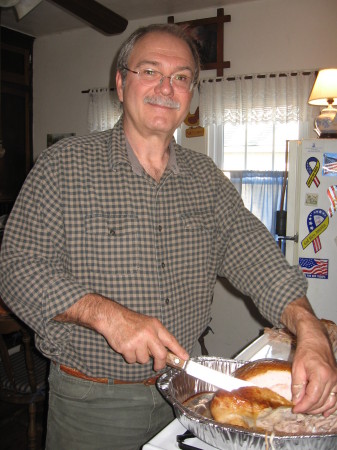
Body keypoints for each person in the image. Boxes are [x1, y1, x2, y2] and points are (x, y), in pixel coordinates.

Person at [0, 23, 336, 450]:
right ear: (121, 84)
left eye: (180, 77)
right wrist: (107, 315)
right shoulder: (63, 166)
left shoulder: (207, 180)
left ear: (190, 95)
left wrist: (309, 330)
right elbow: (15, 269)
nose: (166, 87)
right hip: (94, 402)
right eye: (150, 71)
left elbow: (258, 260)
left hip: (190, 391)